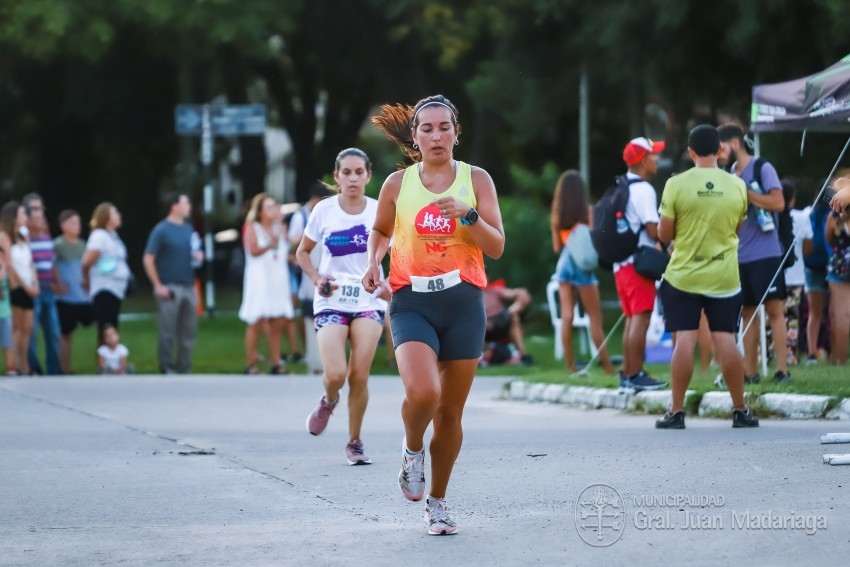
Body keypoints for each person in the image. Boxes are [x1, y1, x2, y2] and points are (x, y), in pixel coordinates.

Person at [364, 94, 505, 535]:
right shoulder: (397, 184)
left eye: (445, 127)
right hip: (412, 302)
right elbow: (381, 230)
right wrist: (373, 261)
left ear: (457, 133)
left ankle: (438, 504)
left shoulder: (475, 179)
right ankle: (412, 451)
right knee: (424, 392)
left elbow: (497, 247)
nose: (436, 135)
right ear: (415, 136)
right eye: (427, 128)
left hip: (463, 304)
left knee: (449, 414)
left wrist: (469, 215)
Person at [655, 124, 759, 429]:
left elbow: (664, 233)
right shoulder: (737, 185)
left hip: (683, 276)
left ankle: (676, 412)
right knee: (725, 339)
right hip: (724, 277)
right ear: (720, 150)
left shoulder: (676, 184)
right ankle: (740, 410)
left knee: (685, 339)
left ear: (690, 152)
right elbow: (737, 229)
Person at [298, 148, 389, 466]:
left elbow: (400, 251)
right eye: (346, 172)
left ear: (368, 176)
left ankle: (354, 442)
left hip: (368, 300)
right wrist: (316, 277)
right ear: (336, 176)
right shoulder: (324, 210)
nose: (352, 178)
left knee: (359, 375)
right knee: (336, 374)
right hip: (331, 300)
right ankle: (329, 398)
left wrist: (388, 283)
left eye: (358, 172)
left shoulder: (379, 211)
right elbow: (302, 252)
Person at [717, 123, 791, 384]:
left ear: (735, 144)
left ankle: (782, 370)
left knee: (774, 310)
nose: (719, 154)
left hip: (766, 253)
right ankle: (750, 372)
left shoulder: (762, 168)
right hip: (739, 255)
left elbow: (778, 203)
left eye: (721, 148)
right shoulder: (727, 175)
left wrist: (745, 192)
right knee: (747, 313)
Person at [614, 138, 668, 391]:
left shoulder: (622, 185)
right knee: (642, 317)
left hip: (621, 264)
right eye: (653, 155)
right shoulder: (644, 189)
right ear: (643, 160)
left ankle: (628, 374)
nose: (657, 159)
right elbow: (653, 230)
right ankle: (635, 374)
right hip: (638, 264)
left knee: (631, 318)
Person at [550, 169, 616, 374]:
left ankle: (570, 366)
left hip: (564, 266)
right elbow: (597, 242)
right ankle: (607, 366)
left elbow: (557, 248)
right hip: (583, 269)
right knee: (595, 319)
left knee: (567, 316)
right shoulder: (589, 213)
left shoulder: (558, 217)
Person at [143, 193, 202, 374]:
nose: (189, 206)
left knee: (188, 330)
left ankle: (184, 367)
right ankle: (166, 366)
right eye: (186, 202)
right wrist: (157, 285)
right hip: (169, 286)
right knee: (167, 330)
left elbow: (195, 252)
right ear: (175, 206)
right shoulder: (161, 230)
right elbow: (148, 258)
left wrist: (198, 257)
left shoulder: (189, 229)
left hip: (189, 285)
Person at [238, 192, 293, 375]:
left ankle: (275, 362)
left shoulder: (280, 228)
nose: (273, 210)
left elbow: (286, 250)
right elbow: (253, 251)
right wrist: (271, 244)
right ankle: (250, 362)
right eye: (268, 207)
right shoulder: (253, 228)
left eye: (274, 206)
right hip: (260, 279)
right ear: (260, 211)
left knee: (278, 320)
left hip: (278, 279)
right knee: (257, 320)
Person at [82, 203, 131, 348]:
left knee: (113, 326)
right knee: (106, 328)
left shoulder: (113, 236)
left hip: (116, 289)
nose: (119, 215)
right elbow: (87, 261)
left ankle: (113, 357)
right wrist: (86, 279)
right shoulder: (99, 236)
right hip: (105, 288)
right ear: (106, 217)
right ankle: (104, 357)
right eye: (115, 213)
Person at [23, 193, 61, 375]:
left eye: (40, 210)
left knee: (53, 331)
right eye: (35, 210)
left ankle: (54, 370)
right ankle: (33, 368)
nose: (39, 214)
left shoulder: (46, 239)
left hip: (48, 290)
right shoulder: (24, 239)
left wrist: (57, 282)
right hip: (34, 290)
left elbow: (52, 263)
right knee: (31, 331)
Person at [54, 209, 95, 374]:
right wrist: (56, 285)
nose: (77, 226)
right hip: (66, 298)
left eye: (78, 222)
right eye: (72, 223)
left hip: (84, 297)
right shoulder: (57, 246)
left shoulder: (84, 245)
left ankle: (106, 363)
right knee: (66, 334)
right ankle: (65, 369)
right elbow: (51, 267)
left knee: (101, 326)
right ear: (63, 226)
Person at [0, 202, 38, 376]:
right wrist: (24, 286)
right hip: (16, 286)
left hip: (29, 285)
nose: (25, 216)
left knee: (27, 328)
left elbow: (30, 262)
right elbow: (10, 265)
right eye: (22, 213)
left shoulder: (24, 236)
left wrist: (35, 283)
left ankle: (24, 366)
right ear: (13, 216)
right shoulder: (5, 237)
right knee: (16, 327)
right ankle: (13, 365)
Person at [801, 197, 832, 363]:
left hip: (811, 267)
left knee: (814, 313)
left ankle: (811, 353)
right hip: (833, 267)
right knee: (836, 312)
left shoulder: (808, 214)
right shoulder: (833, 214)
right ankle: (835, 353)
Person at [480, 281, 534, 366]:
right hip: (481, 325)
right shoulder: (471, 293)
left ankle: (524, 355)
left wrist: (520, 292)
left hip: (500, 321)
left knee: (513, 316)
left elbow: (513, 293)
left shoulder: (495, 290)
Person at [825, 203, 850, 364]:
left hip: (839, 267)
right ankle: (836, 356)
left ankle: (841, 359)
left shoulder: (834, 216)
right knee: (837, 313)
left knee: (841, 314)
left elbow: (829, 240)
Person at [0, 241, 15, 375]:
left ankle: (11, 368)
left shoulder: (6, 272)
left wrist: (7, 268)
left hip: (5, 313)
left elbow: (12, 285)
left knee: (8, 342)